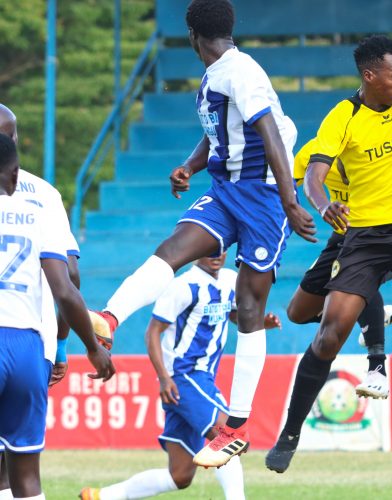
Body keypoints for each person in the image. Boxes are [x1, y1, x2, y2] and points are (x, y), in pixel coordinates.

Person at [87, 0, 316, 467]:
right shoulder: (217, 75)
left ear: (193, 35)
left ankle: (236, 425)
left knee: (250, 308)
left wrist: (292, 201)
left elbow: (268, 130)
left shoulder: (243, 72)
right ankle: (108, 320)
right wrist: (191, 166)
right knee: (172, 249)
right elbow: (218, 133)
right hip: (226, 189)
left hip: (265, 199)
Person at [265, 35, 392, 482]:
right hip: (363, 235)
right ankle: (290, 433)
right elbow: (314, 175)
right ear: (369, 75)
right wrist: (323, 207)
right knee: (329, 332)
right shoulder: (344, 116)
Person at [80, 254, 278, 500]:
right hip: (183, 377)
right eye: (210, 249)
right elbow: (153, 333)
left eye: (221, 249)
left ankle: (103, 496)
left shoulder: (230, 279)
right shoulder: (183, 286)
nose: (216, 255)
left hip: (200, 380)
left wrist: (260, 322)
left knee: (180, 475)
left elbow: (232, 313)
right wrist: (164, 378)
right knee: (230, 438)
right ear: (198, 250)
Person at [0, 133, 115, 500]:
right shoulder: (39, 211)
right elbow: (67, 287)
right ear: (15, 172)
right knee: (25, 474)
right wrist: (92, 347)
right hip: (26, 347)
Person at [0, 104, 83, 498]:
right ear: (15, 140)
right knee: (23, 460)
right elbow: (71, 278)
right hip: (33, 342)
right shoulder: (44, 196)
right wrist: (64, 345)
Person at [288, 138, 392, 399]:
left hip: (383, 235)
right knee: (297, 313)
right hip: (342, 237)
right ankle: (366, 317)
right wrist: (292, 210)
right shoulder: (314, 151)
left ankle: (376, 367)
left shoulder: (381, 146)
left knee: (359, 274)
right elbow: (289, 183)